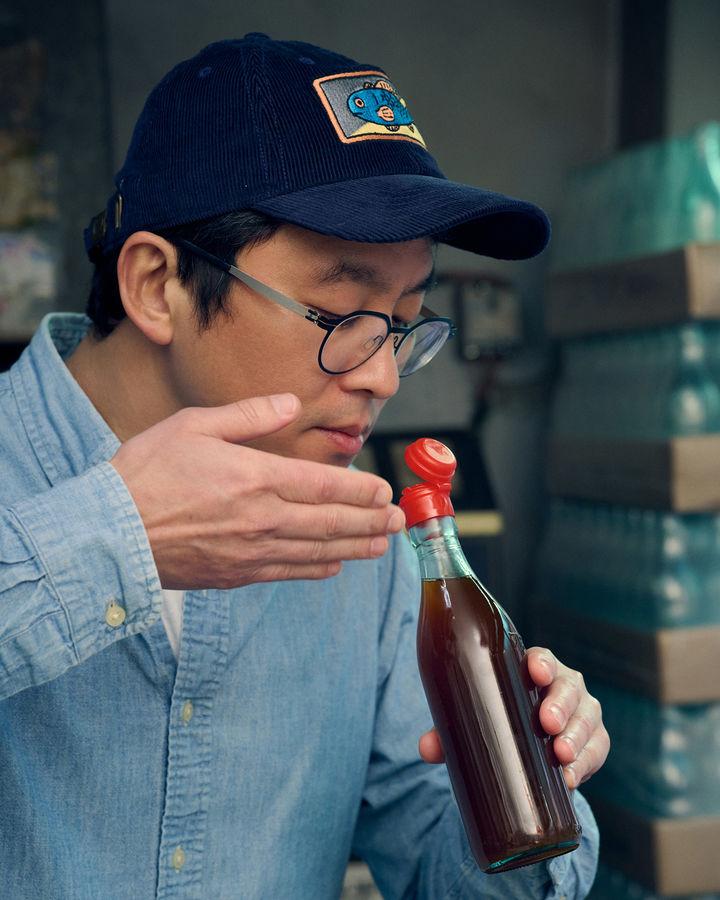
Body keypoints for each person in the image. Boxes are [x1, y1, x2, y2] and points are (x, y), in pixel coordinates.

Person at [0, 34, 608, 899]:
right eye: (339, 313)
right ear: (155, 286)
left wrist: (528, 795)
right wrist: (112, 543)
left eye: (404, 321)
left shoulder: (363, 540)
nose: (383, 377)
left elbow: (436, 869)